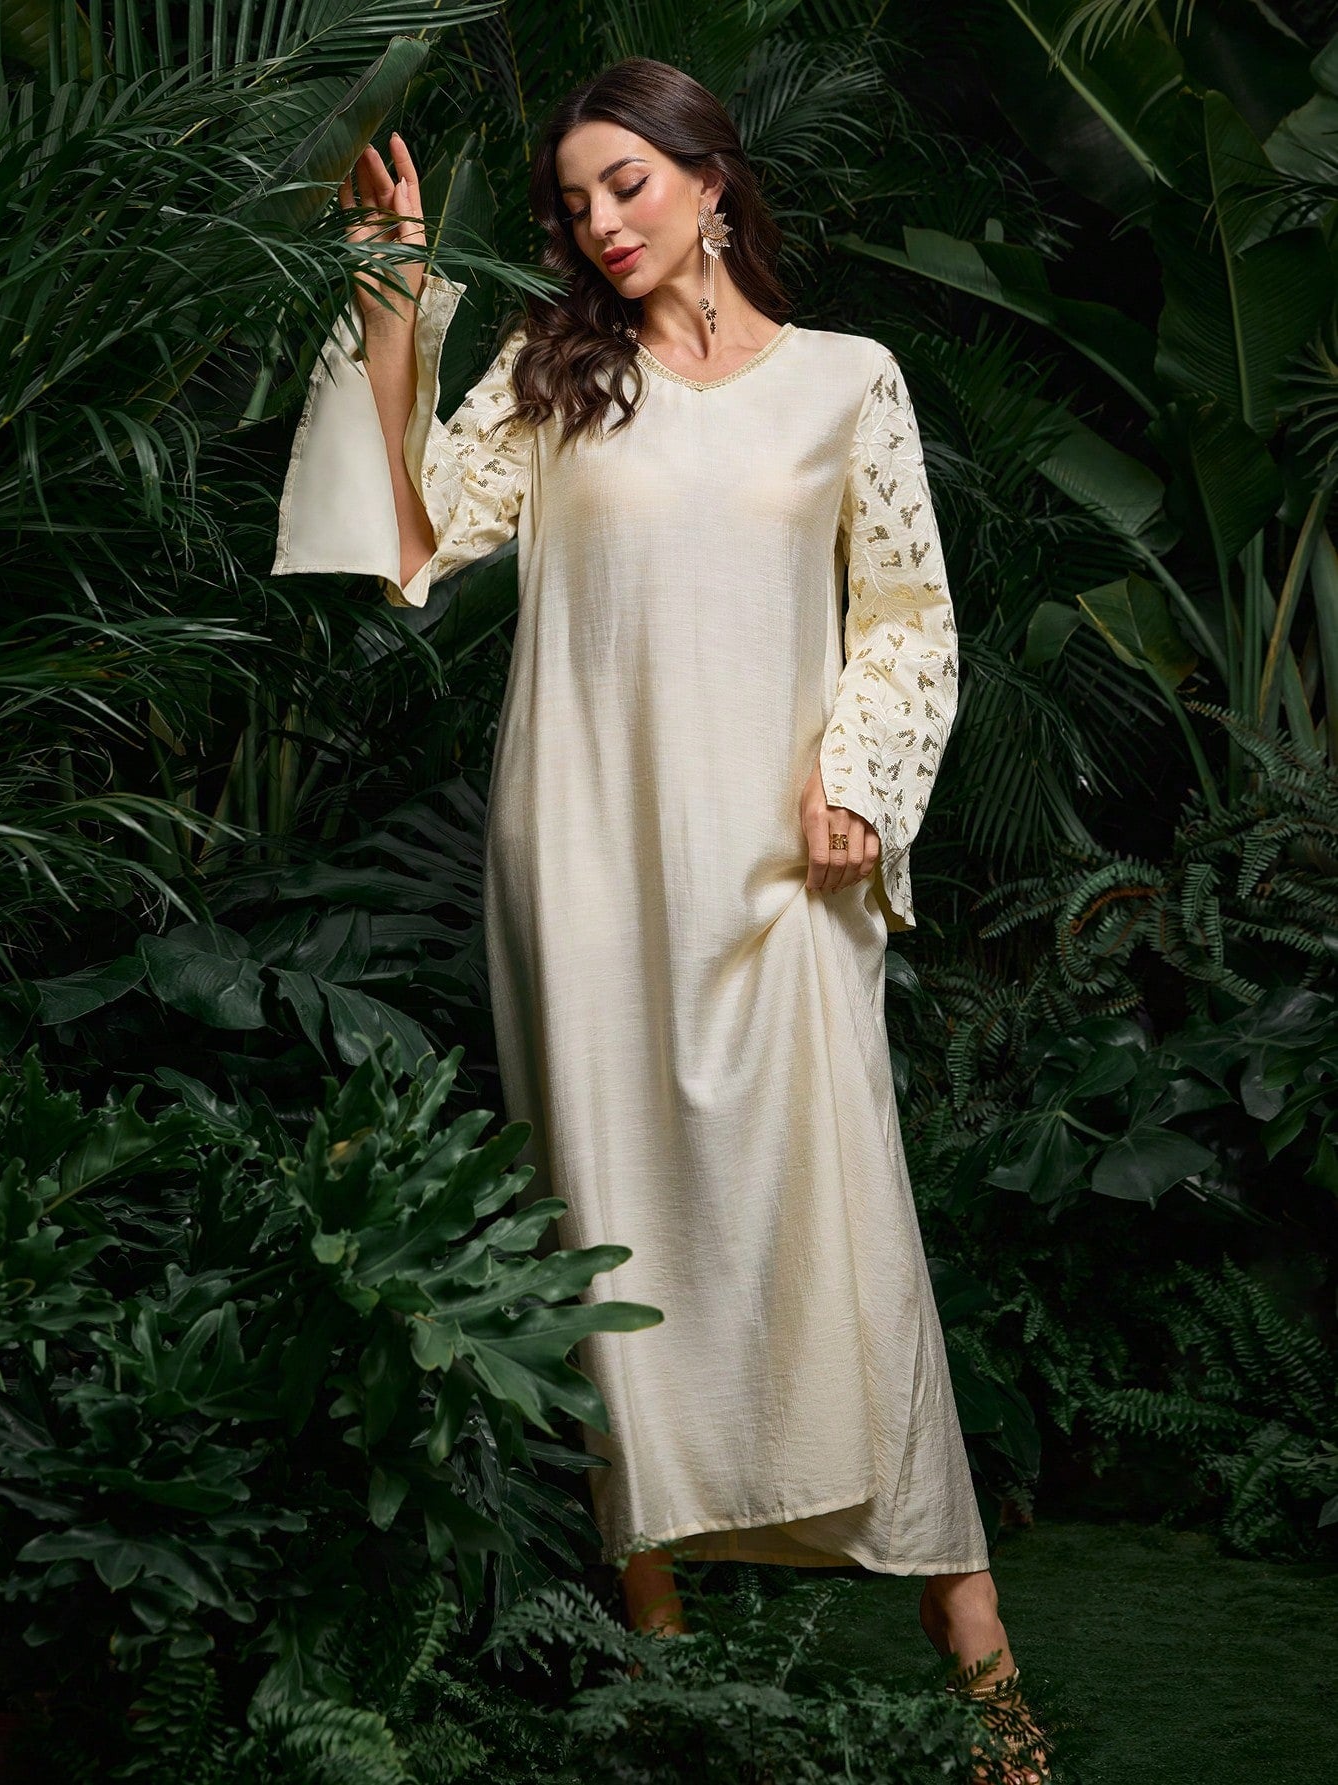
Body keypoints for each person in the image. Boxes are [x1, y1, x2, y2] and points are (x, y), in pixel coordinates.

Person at [270, 55, 1051, 1785]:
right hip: (589, 863)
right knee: (610, 1232)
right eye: (576, 202)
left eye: (628, 182)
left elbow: (909, 617)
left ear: (711, 176)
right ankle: (665, 1670)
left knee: (850, 1231)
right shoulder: (564, 376)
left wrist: (862, 778)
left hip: (782, 871)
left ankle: (986, 1666)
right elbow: (414, 535)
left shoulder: (849, 379)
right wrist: (395, 289)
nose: (603, 221)